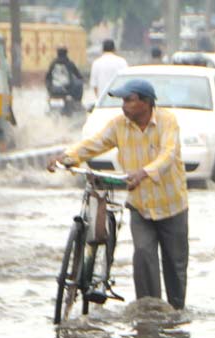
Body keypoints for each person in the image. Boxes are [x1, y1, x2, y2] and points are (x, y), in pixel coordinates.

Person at [47, 79, 189, 310]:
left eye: (129, 100)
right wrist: (66, 157)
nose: (124, 106)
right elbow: (94, 144)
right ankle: (149, 312)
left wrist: (144, 172)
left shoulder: (167, 122)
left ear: (146, 102)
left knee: (175, 266)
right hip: (140, 206)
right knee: (143, 256)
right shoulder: (119, 125)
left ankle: (176, 314)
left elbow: (168, 154)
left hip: (172, 206)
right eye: (123, 101)